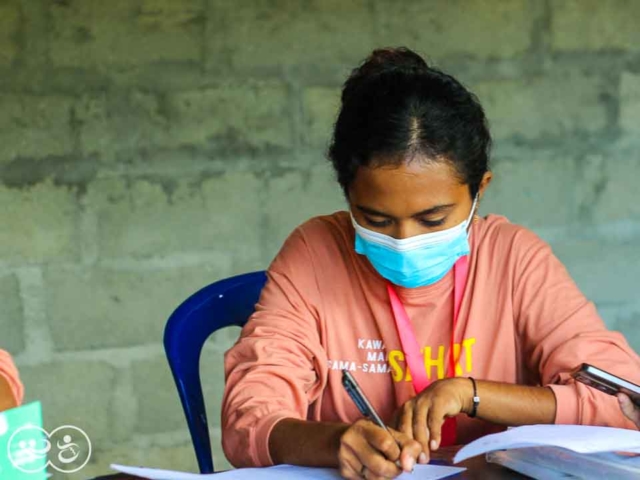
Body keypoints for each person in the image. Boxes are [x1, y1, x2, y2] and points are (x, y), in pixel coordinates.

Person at [222, 47, 640, 479]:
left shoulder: (513, 259)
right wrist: (335, 442)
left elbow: (624, 402)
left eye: (433, 219)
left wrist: (470, 394)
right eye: (376, 219)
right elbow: (248, 419)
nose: (405, 240)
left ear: (480, 190)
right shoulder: (315, 253)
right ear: (347, 195)